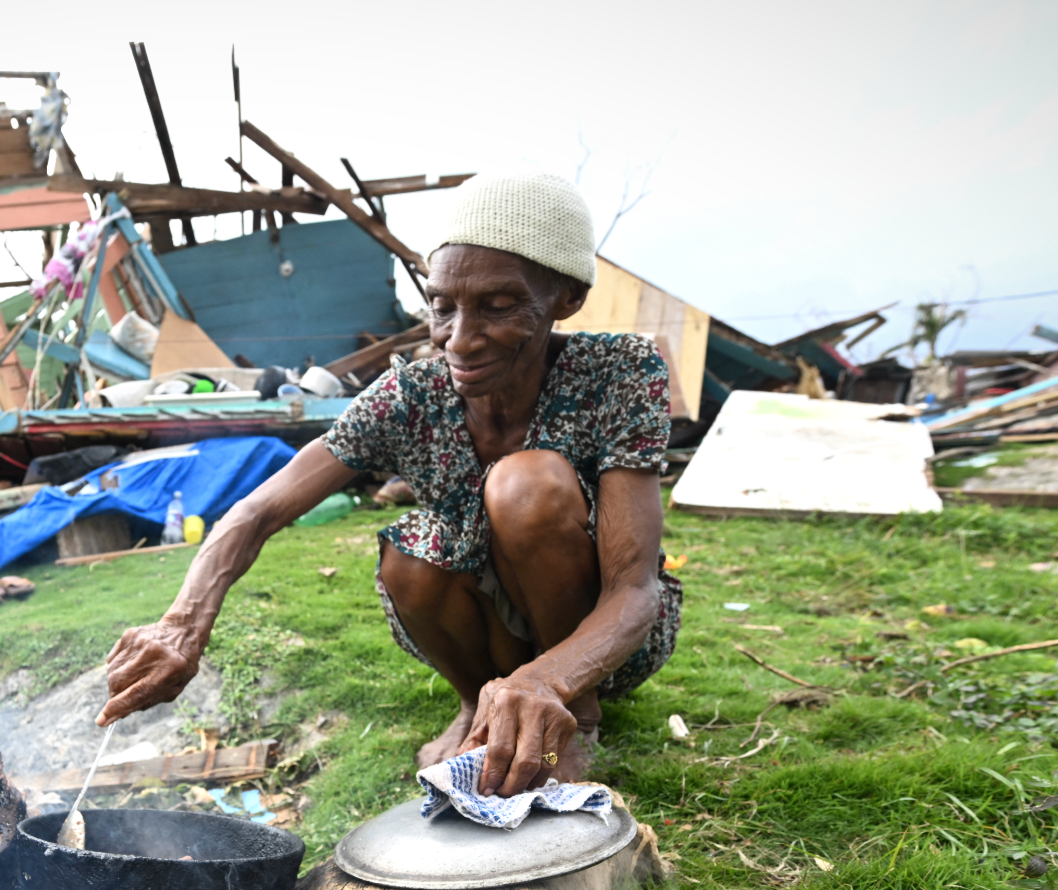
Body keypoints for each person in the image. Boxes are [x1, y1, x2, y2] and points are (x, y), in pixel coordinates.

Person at [97, 173, 682, 798]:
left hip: (603, 637)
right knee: (409, 554)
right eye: (443, 306)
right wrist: (183, 622)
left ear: (567, 297)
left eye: (498, 306)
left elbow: (633, 589)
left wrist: (551, 680)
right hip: (489, 622)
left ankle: (578, 712)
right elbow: (258, 511)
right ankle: (475, 701)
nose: (459, 339)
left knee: (525, 485)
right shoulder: (409, 395)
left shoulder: (617, 372)